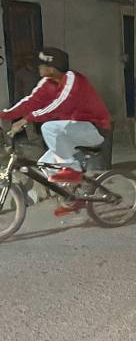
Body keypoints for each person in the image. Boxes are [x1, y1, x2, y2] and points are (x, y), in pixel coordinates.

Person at [0, 48, 111, 216]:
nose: (38, 68)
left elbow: (60, 104)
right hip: (72, 132)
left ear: (52, 67)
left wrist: (26, 119)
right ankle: (73, 196)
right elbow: (30, 102)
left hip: (95, 128)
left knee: (48, 127)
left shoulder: (73, 79)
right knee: (45, 165)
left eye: (41, 65)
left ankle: (73, 170)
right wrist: (4, 114)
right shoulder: (47, 82)